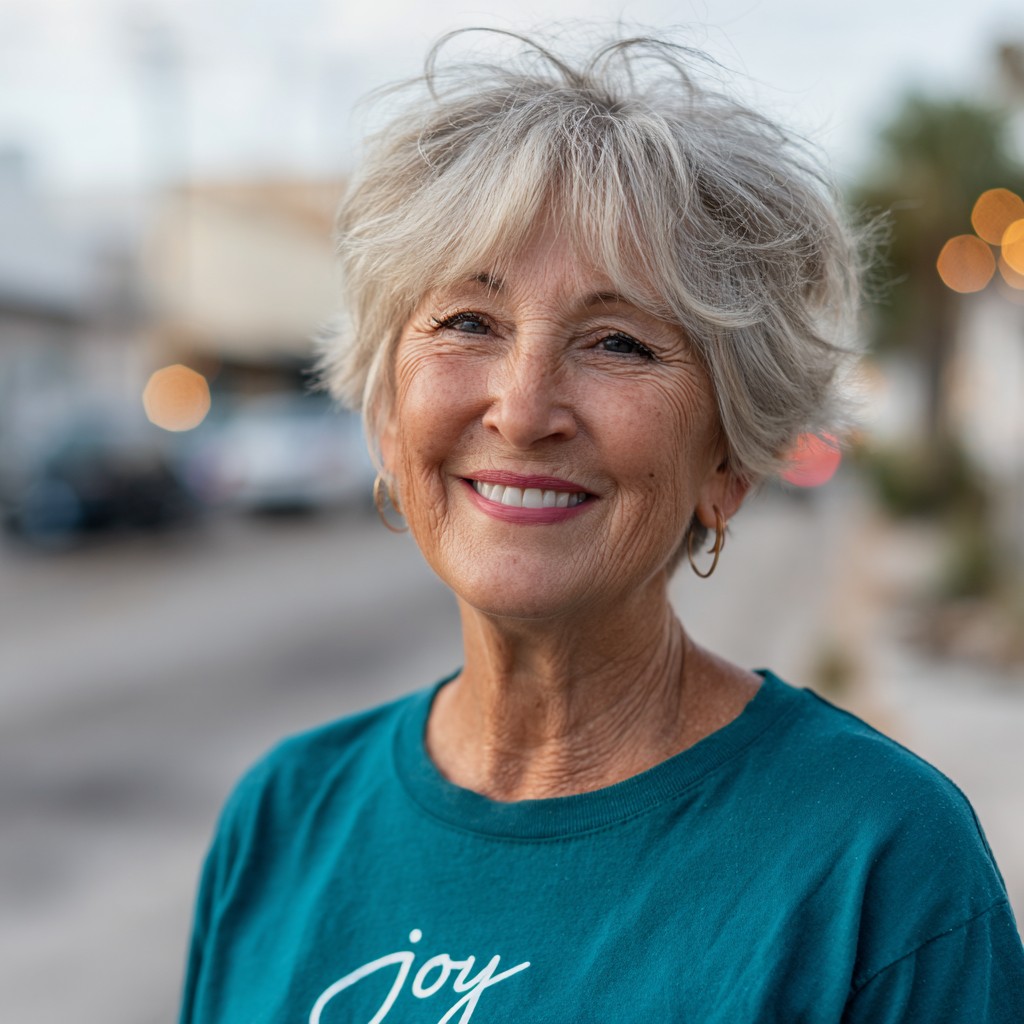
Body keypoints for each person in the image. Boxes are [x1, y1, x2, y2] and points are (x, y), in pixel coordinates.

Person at [178, 29, 1024, 1023]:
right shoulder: (281, 821)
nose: (525, 407)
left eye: (617, 341)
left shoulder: (877, 869)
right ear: (383, 411)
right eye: (468, 323)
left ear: (731, 457)